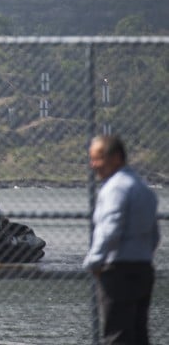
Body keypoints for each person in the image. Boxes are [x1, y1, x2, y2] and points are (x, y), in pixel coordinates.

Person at [84, 135, 159, 344]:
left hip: (118, 272)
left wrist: (94, 261)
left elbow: (110, 228)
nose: (93, 165)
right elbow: (154, 236)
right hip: (143, 269)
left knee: (117, 335)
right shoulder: (144, 189)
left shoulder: (115, 188)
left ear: (116, 158)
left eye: (97, 159)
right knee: (139, 333)